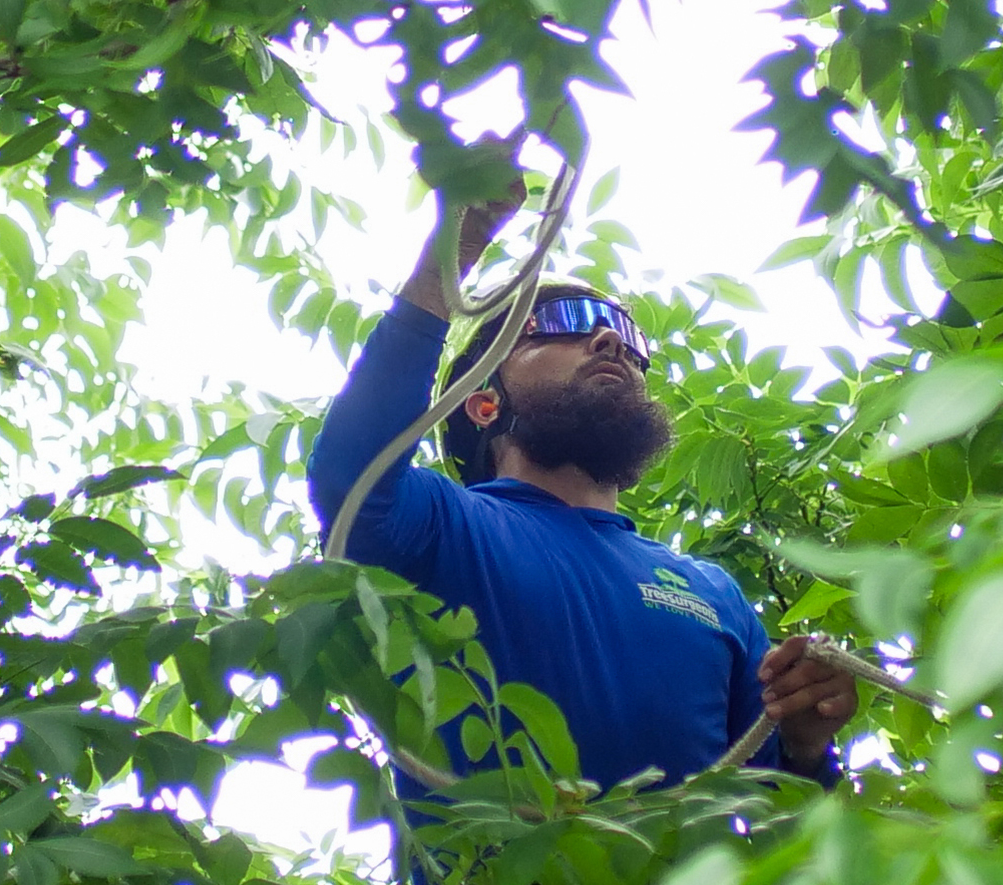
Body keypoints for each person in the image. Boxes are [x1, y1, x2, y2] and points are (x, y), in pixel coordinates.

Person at [307, 164, 858, 806]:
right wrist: (448, 261)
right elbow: (353, 472)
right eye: (568, 319)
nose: (609, 341)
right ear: (483, 403)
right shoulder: (437, 524)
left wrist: (806, 745)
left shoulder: (713, 591)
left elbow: (775, 809)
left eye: (630, 339)